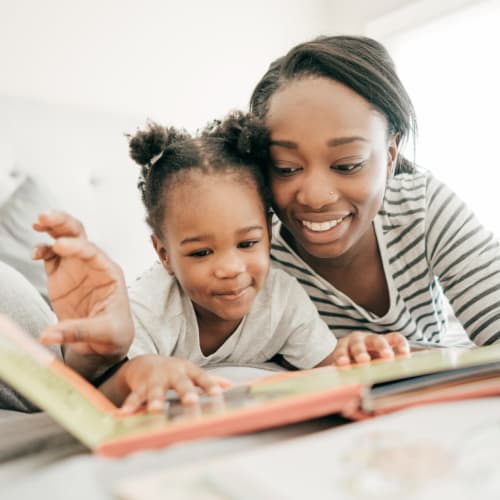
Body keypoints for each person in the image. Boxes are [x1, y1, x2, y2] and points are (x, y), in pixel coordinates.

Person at [248, 35, 500, 351]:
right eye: (285, 168)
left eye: (347, 165)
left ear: (391, 155)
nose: (314, 196)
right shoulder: (252, 247)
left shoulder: (421, 209)